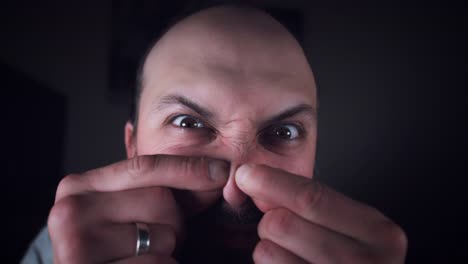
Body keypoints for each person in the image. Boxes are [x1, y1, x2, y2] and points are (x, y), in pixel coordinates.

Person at [22, 5, 407, 264]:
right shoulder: (66, 248)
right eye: (188, 123)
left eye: (284, 131)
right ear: (132, 145)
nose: (235, 190)